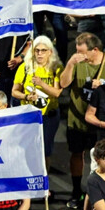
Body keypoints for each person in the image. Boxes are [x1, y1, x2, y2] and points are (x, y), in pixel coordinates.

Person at [60, 32, 105, 208]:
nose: (79, 55)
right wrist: (71, 63)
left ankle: (98, 193)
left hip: (99, 122)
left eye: (82, 52)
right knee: (76, 154)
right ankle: (76, 192)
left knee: (100, 158)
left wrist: (104, 88)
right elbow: (63, 84)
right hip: (77, 119)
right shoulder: (77, 62)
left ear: (95, 50)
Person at [11, 36, 63, 169]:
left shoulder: (56, 68)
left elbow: (57, 92)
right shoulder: (25, 67)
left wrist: (41, 84)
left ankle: (44, 183)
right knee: (28, 148)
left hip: (48, 116)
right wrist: (27, 96)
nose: (39, 54)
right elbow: (14, 91)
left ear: (50, 52)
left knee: (45, 150)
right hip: (29, 114)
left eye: (43, 50)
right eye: (37, 50)